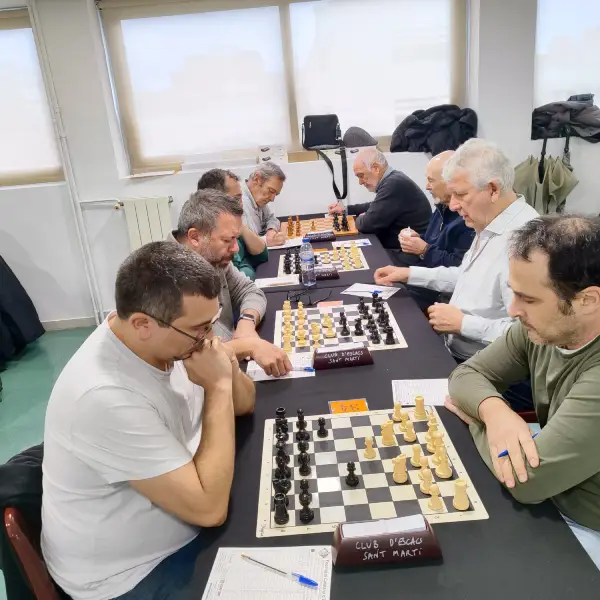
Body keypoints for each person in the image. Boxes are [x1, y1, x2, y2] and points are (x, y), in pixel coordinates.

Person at [42, 242, 256, 600]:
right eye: (200, 328)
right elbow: (209, 510)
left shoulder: (172, 337)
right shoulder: (102, 395)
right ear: (142, 324)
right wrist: (218, 386)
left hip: (187, 518)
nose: (210, 336)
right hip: (132, 575)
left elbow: (245, 404)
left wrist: (225, 364)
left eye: (213, 322)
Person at [446, 215, 600, 569]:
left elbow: (526, 482)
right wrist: (495, 412)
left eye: (527, 298)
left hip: (584, 523)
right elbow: (466, 375)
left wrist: (474, 419)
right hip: (550, 487)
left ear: (588, 300)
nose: (513, 310)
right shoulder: (545, 327)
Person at [374, 139, 539, 409]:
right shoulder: (490, 223)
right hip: (461, 354)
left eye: (460, 195)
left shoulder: (526, 241)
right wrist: (409, 273)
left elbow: (532, 336)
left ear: (493, 189)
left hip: (497, 376)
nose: (452, 206)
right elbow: (464, 276)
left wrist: (463, 323)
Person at [171, 189, 292, 376]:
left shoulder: (212, 257)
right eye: (228, 240)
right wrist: (248, 345)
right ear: (194, 237)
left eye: (236, 238)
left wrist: (247, 322)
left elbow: (250, 291)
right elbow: (192, 356)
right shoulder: (166, 277)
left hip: (230, 365)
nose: (235, 248)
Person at [396, 150, 475, 310]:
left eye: (431, 180)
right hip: (427, 276)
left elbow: (458, 268)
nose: (427, 186)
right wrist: (417, 239)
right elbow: (434, 240)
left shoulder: (468, 218)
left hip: (439, 293)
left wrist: (424, 250)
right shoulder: (442, 206)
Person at [328, 147, 431, 249]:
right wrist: (346, 210)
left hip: (408, 251)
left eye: (361, 175)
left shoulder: (393, 184)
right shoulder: (394, 178)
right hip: (400, 245)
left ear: (376, 168)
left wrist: (361, 217)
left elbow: (366, 225)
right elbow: (376, 205)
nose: (360, 182)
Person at [197, 168, 268, 281]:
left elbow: (262, 255)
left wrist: (242, 227)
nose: (241, 204)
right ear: (213, 200)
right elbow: (238, 280)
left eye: (241, 198)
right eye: (236, 199)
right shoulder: (210, 240)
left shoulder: (234, 226)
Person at [242, 162, 287, 247]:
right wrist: (267, 241)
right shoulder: (240, 202)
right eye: (271, 191)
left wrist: (271, 230)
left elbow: (271, 218)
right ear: (257, 179)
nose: (272, 199)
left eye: (276, 194)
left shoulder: (257, 198)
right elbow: (245, 243)